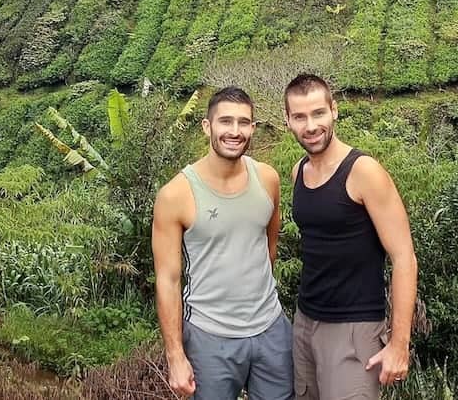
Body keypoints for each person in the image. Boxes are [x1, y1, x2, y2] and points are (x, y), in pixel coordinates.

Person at [152, 86, 293, 399]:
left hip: (270, 329)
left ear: (253, 128)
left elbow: (269, 246)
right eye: (225, 121)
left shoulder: (267, 179)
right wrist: (176, 356)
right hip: (209, 337)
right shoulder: (175, 195)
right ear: (207, 126)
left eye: (244, 123)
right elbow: (168, 279)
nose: (235, 131)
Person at [283, 73, 418, 400]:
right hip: (305, 322)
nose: (311, 125)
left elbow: (404, 258)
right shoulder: (298, 172)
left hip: (354, 329)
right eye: (300, 117)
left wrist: (399, 345)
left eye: (318, 113)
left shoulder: (363, 172)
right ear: (287, 121)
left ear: (334, 111)